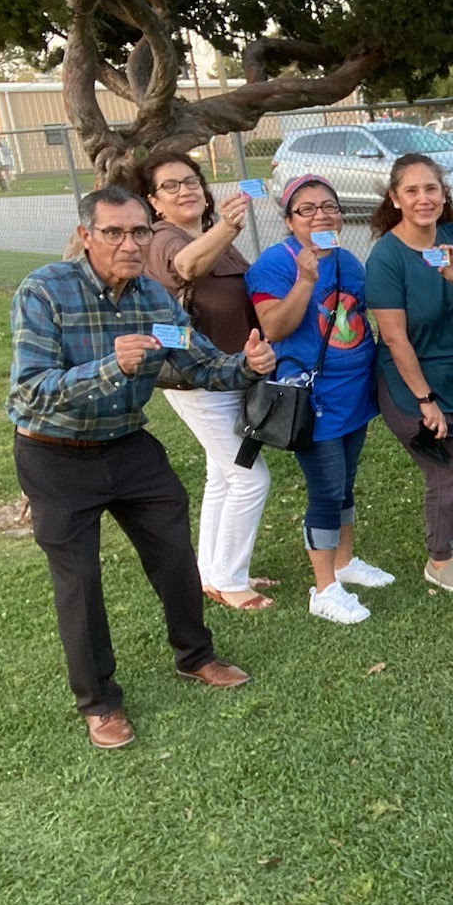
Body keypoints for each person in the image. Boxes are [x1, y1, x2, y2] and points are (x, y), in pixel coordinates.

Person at [8, 186, 273, 749]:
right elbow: (30, 392)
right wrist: (111, 367)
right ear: (87, 237)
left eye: (139, 232)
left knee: (174, 554)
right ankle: (99, 702)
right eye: (113, 232)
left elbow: (201, 365)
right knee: (79, 579)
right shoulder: (45, 291)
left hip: (128, 446)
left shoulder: (153, 298)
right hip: (54, 455)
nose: (129, 244)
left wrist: (245, 366)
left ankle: (195, 656)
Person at [246, 174, 391, 625]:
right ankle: (324, 587)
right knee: (325, 489)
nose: (320, 215)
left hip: (354, 393)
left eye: (328, 206)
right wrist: (305, 281)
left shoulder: (349, 260)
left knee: (345, 483)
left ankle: (345, 562)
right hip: (313, 398)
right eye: (306, 209)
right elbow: (273, 328)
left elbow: (362, 315)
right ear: (289, 220)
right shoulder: (275, 263)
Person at [137, 152, 276, 612]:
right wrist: (228, 228)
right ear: (155, 203)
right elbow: (188, 268)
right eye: (171, 186)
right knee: (249, 478)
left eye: (192, 181)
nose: (185, 190)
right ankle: (232, 582)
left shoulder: (218, 235)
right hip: (197, 381)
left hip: (236, 372)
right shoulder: (163, 239)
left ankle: (212, 572)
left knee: (222, 475)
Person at [364, 154, 453, 592]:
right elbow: (395, 337)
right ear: (395, 199)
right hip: (410, 386)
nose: (424, 198)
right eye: (412, 191)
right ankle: (438, 562)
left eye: (431, 189)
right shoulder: (386, 257)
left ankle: (449, 547)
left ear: (443, 194)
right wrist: (424, 401)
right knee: (446, 473)